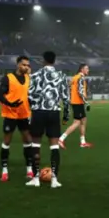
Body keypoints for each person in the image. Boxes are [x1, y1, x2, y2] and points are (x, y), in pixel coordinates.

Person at [26, 51, 70, 188]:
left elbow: (29, 95)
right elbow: (66, 97)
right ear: (54, 61)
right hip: (53, 113)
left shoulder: (35, 75)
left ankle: (36, 178)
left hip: (38, 112)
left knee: (36, 145)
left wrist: (33, 109)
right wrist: (65, 116)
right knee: (54, 146)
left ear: (43, 61)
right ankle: (55, 180)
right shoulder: (61, 76)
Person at [0, 56, 34, 181]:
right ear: (18, 65)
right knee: (7, 141)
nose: (26, 67)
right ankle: (4, 170)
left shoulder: (28, 78)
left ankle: (29, 169)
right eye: (24, 65)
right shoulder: (8, 78)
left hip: (24, 114)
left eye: (28, 65)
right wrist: (10, 104)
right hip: (10, 114)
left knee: (28, 140)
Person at [59, 63, 92, 149]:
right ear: (82, 69)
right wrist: (86, 102)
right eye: (87, 68)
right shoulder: (80, 78)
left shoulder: (75, 77)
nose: (88, 70)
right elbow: (80, 92)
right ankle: (61, 138)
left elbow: (70, 87)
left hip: (75, 102)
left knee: (83, 120)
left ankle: (83, 142)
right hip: (78, 103)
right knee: (77, 123)